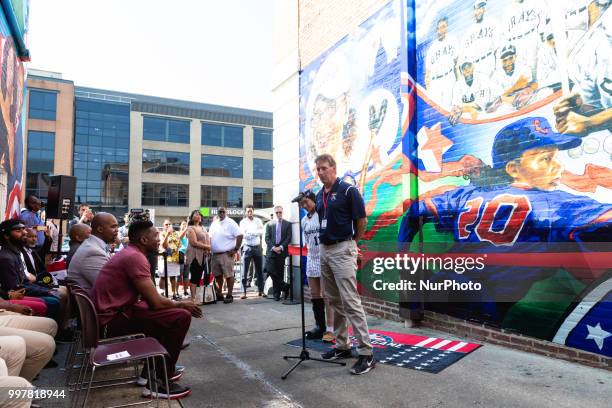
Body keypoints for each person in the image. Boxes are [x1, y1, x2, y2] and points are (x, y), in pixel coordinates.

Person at [398, 117, 611, 322]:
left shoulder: (467, 193)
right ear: (513, 169)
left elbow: (415, 212)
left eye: (556, 157)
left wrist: (402, 254)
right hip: (480, 301)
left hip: (441, 286)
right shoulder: (553, 202)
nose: (558, 166)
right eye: (546, 158)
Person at [91, 220, 202, 399]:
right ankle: (160, 380)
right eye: (155, 236)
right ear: (143, 240)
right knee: (180, 316)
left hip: (110, 316)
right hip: (108, 322)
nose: (159, 239)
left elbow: (151, 300)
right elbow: (156, 302)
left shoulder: (131, 253)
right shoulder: (135, 257)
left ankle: (150, 372)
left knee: (165, 316)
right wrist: (182, 304)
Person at [314, 153, 375, 375]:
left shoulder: (348, 190)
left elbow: (362, 220)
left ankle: (367, 353)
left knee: (350, 301)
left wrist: (353, 244)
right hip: (325, 250)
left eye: (323, 168)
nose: (320, 172)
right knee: (333, 300)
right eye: (318, 169)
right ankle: (342, 346)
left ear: (333, 168)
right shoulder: (320, 195)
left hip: (343, 248)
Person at [300, 190, 335, 342]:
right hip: (311, 258)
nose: (304, 205)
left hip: (323, 256)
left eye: (307, 202)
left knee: (327, 295)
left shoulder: (321, 214)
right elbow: (306, 241)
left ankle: (331, 329)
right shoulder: (303, 220)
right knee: (315, 295)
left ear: (314, 200)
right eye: (302, 203)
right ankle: (319, 326)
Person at [67, 212, 118, 294]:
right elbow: (109, 287)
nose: (117, 230)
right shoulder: (93, 252)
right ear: (100, 229)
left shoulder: (94, 246)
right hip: (99, 304)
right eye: (113, 227)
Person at [209, 207, 243, 304]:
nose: (221, 213)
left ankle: (229, 295)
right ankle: (219, 294)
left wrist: (236, 249)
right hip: (215, 254)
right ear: (217, 212)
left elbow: (240, 235)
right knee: (217, 276)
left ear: (226, 212)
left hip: (226, 254)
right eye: (220, 211)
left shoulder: (231, 222)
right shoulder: (214, 223)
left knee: (229, 275)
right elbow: (210, 237)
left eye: (223, 211)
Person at [425, 17, 458, 107]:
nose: (442, 30)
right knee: (438, 109)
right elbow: (427, 74)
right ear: (436, 30)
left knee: (450, 107)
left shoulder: (453, 40)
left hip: (449, 77)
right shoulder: (432, 49)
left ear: (447, 28)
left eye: (444, 27)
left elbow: (457, 63)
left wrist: (458, 81)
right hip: (436, 82)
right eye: (440, 27)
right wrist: (428, 91)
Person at [460, 0, 499, 78]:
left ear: (484, 10)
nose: (479, 11)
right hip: (476, 67)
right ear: (473, 12)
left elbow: (498, 48)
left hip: (489, 61)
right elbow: (462, 58)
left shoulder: (492, 22)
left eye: (481, 8)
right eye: (477, 9)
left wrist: (497, 67)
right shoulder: (468, 33)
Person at [264, 206, 292, 301]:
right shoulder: (269, 224)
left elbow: (288, 238)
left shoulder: (287, 224)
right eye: (277, 213)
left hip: (281, 250)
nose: (279, 214)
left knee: (279, 272)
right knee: (270, 270)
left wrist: (280, 247)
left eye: (280, 212)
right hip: (271, 250)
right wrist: (274, 248)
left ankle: (277, 294)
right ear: (274, 213)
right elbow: (267, 238)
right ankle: (284, 286)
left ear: (282, 212)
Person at [185, 210, 211, 303]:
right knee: (195, 276)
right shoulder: (190, 228)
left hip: (204, 255)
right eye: (196, 214)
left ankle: (199, 297)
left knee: (200, 276)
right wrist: (207, 247)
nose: (198, 215)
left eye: (199, 214)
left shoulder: (203, 228)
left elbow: (207, 239)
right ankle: (193, 298)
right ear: (192, 217)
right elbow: (194, 242)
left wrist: (207, 249)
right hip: (194, 255)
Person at [239, 205, 265, 298]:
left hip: (257, 247)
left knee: (259, 270)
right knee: (244, 271)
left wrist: (251, 233)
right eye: (248, 211)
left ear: (253, 211)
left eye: (251, 211)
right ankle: (243, 292)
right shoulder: (242, 222)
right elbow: (243, 234)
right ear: (245, 212)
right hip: (247, 247)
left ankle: (261, 290)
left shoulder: (258, 220)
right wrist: (255, 232)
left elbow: (261, 231)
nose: (250, 213)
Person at [159, 219, 181, 300]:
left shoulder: (175, 233)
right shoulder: (161, 233)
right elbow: (163, 245)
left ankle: (174, 294)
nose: (168, 226)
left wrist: (176, 248)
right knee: (163, 277)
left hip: (174, 258)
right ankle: (162, 294)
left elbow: (180, 244)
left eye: (169, 224)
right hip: (164, 258)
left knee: (173, 277)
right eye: (166, 224)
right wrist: (167, 235)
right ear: (163, 225)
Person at [177, 220, 189, 298]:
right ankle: (176, 291)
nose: (184, 225)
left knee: (186, 275)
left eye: (185, 224)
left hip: (188, 255)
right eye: (183, 224)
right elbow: (180, 237)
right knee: (179, 274)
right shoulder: (178, 233)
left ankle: (185, 291)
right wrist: (185, 229)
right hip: (180, 254)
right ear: (180, 226)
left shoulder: (188, 234)